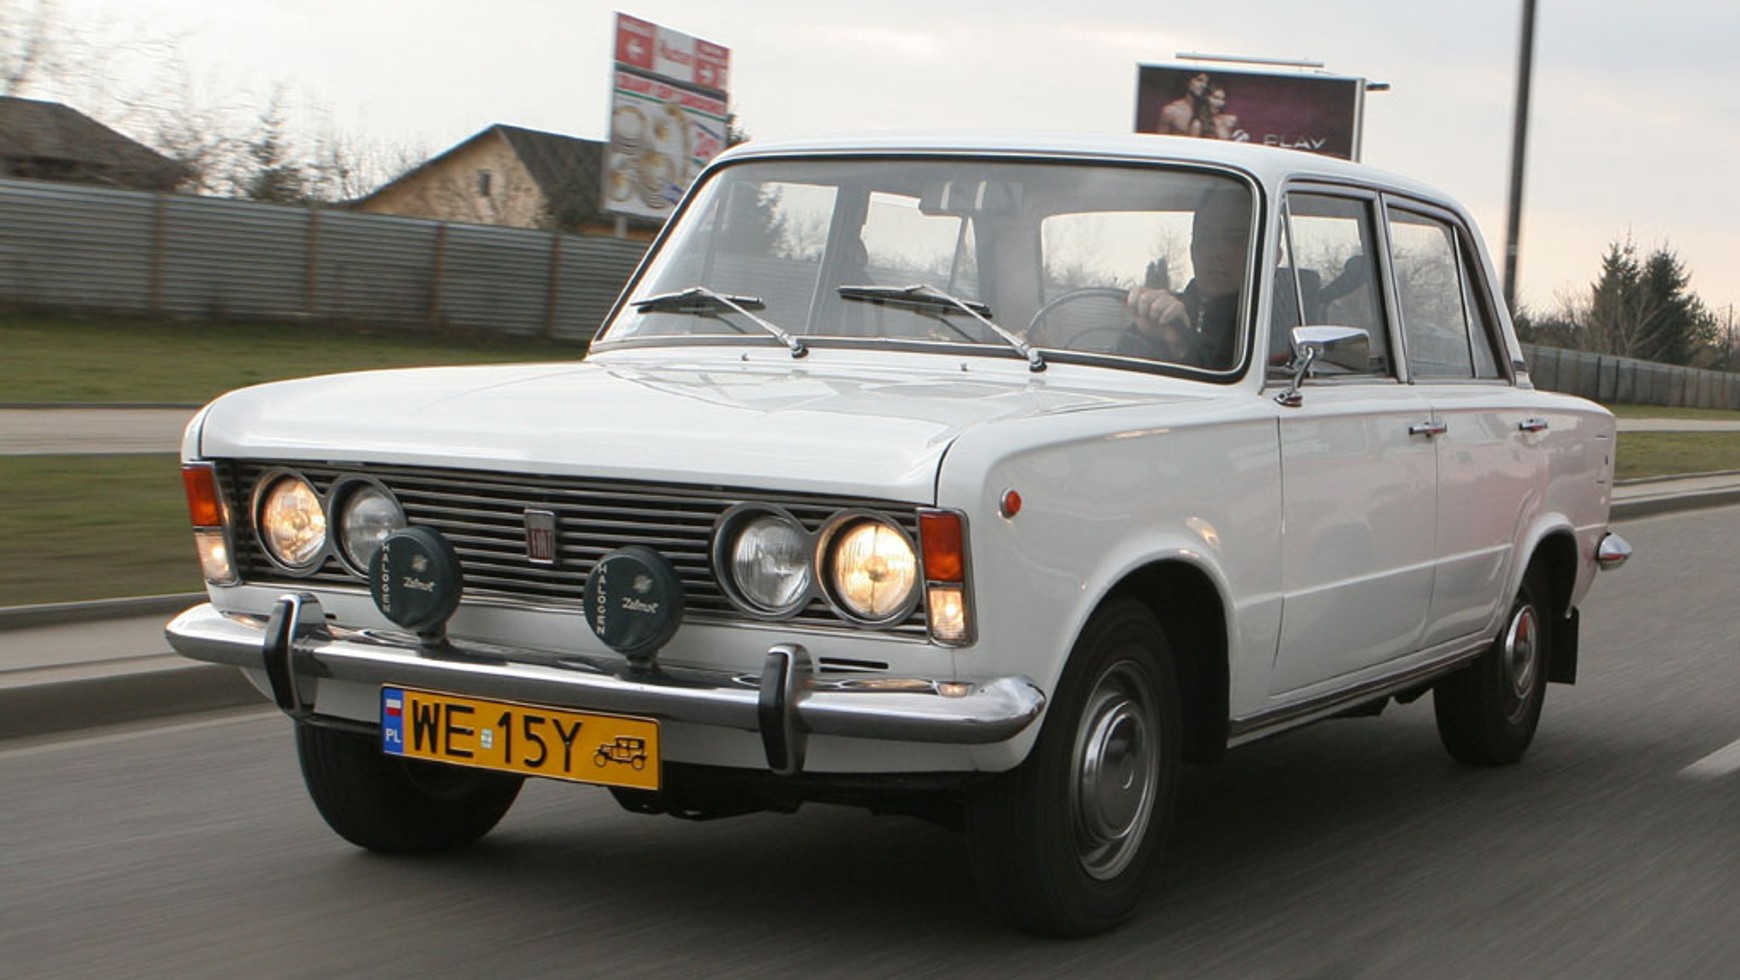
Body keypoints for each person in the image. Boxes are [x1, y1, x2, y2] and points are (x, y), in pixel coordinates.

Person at [1125, 188, 1250, 367]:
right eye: (1206, 237)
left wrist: (1182, 347)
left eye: (1235, 239)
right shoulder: (1164, 316)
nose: (1217, 252)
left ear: (1272, 255)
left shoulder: (1277, 329)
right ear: (1192, 248)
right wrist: (1146, 333)